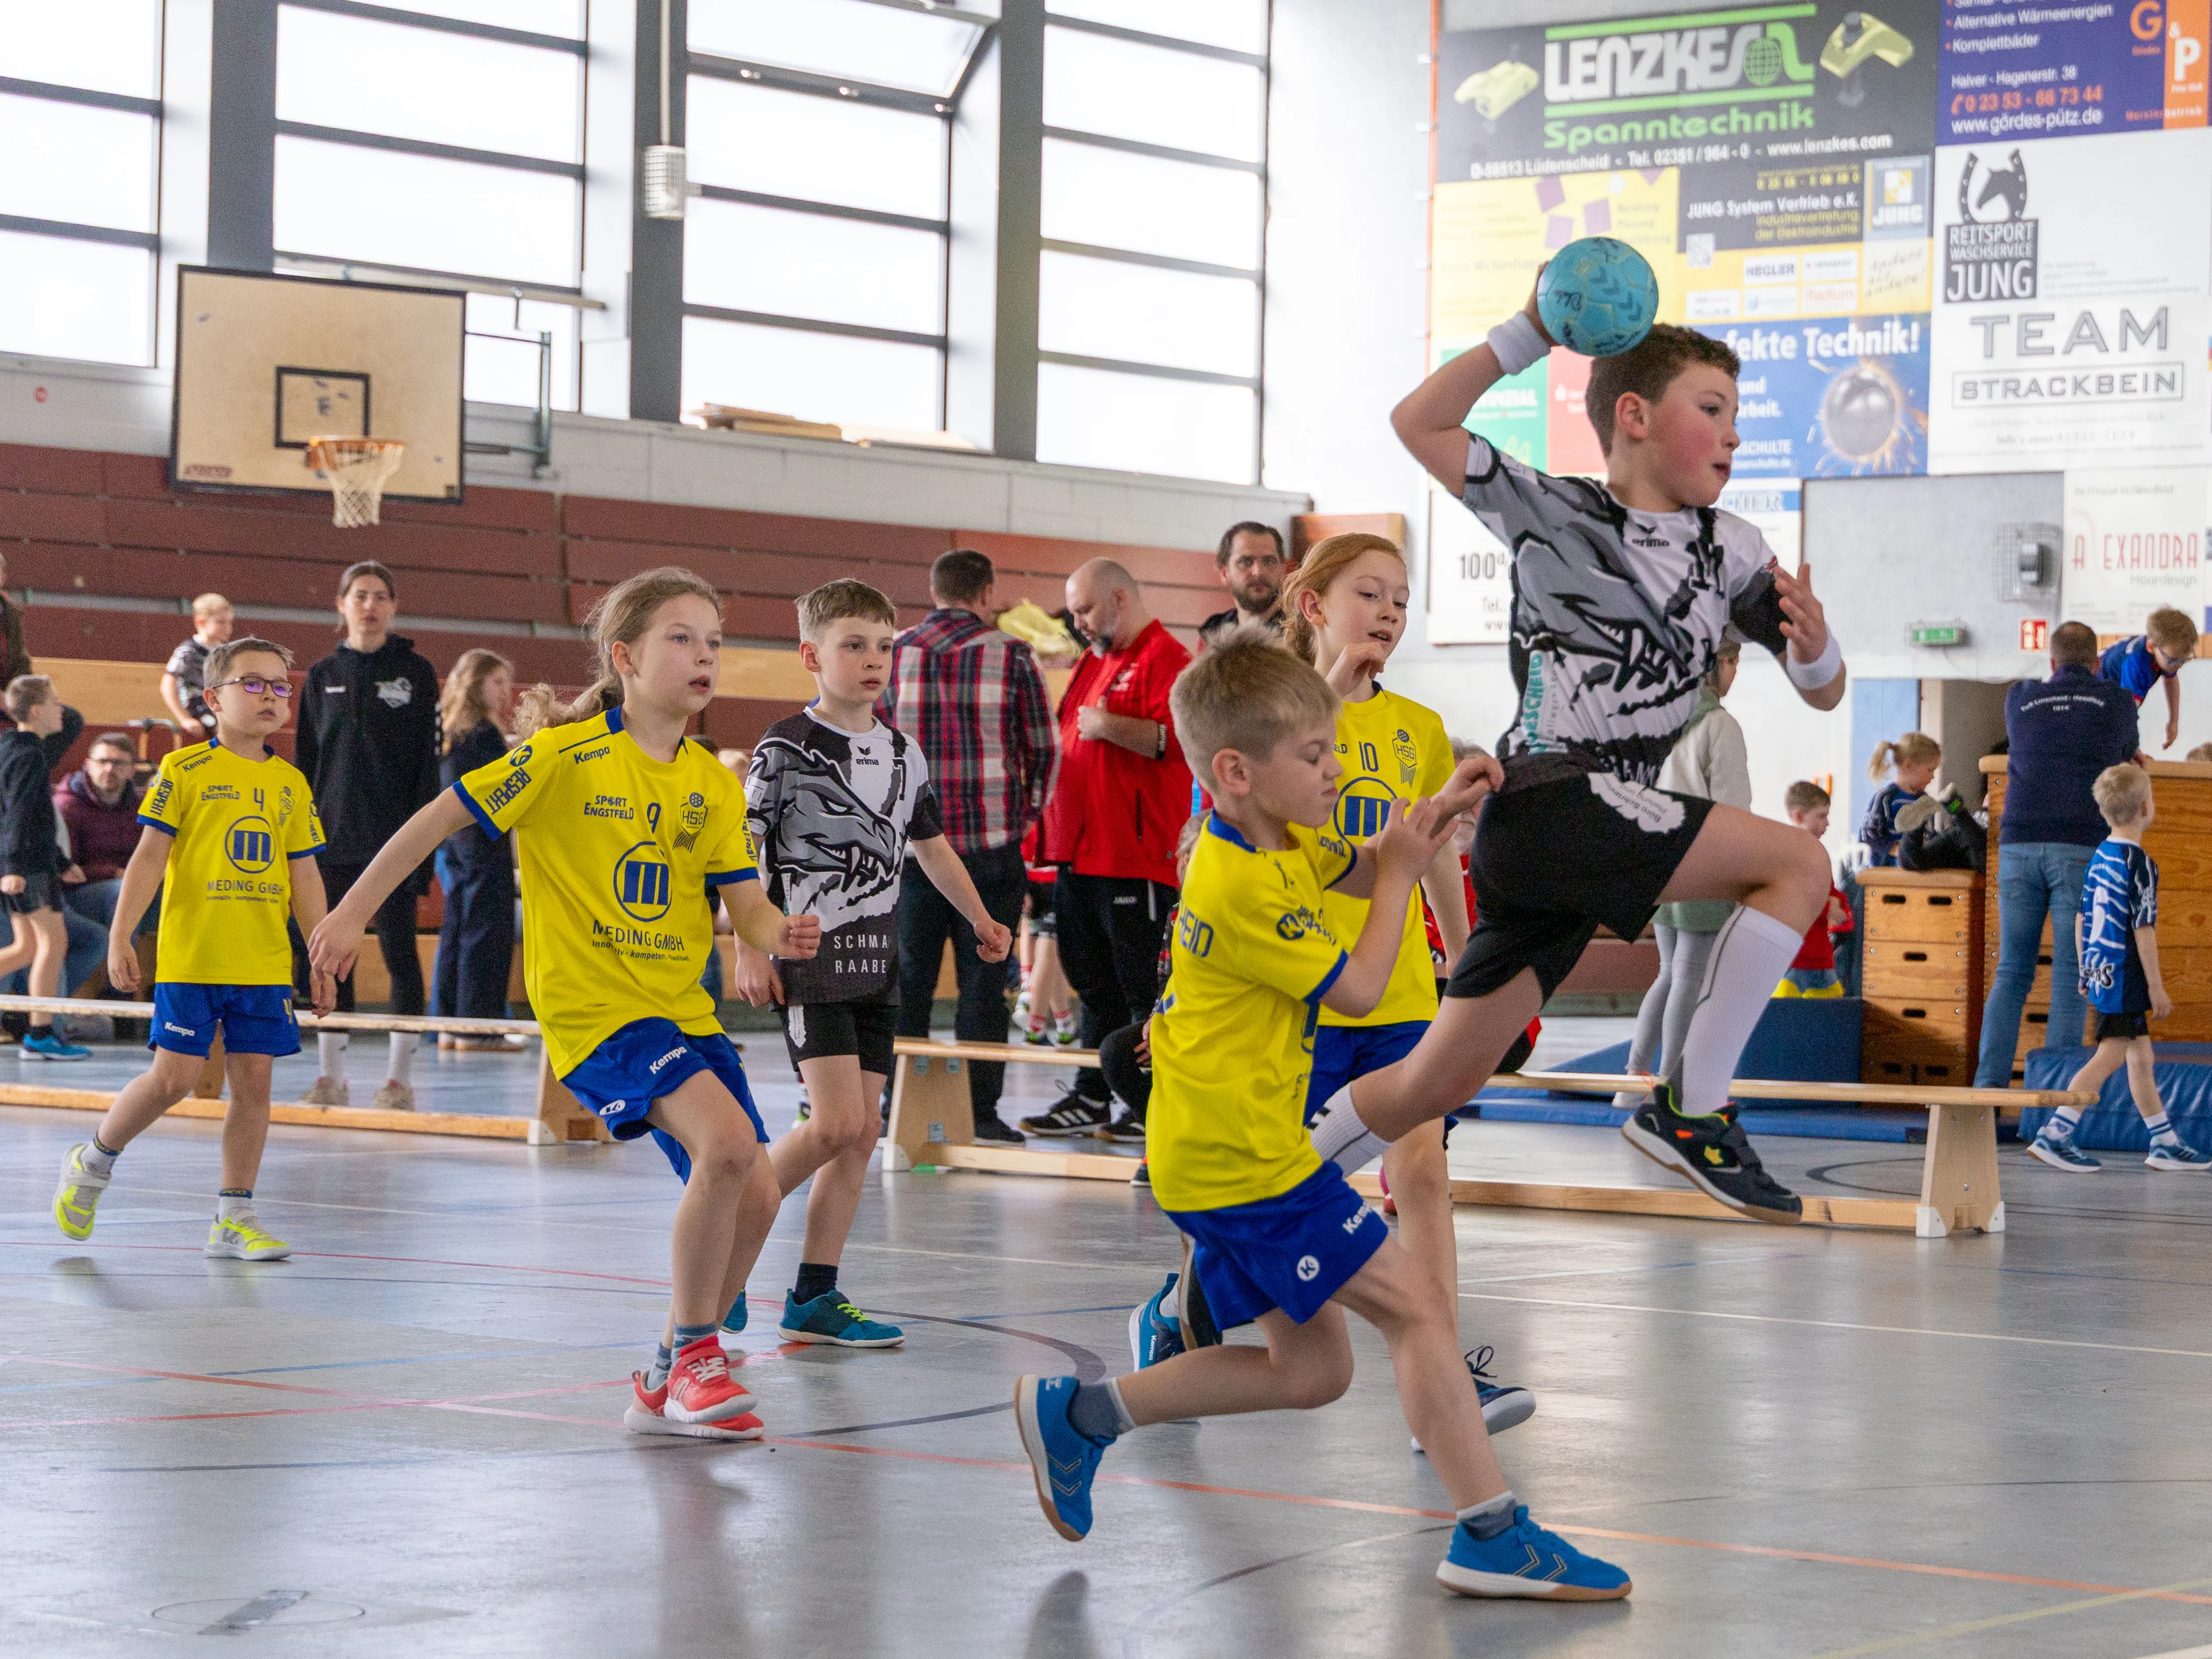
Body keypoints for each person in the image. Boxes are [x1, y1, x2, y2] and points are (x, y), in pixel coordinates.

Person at [1011, 637, 1630, 1601]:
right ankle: (1490, 1532)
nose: (1335, 770)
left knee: (1311, 1372)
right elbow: (1360, 984)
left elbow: (1371, 855)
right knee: (1416, 1304)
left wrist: (1438, 813)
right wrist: (1397, 881)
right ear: (1235, 771)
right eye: (1313, 755)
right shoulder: (1239, 882)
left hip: (1223, 1153)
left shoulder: (1277, 838)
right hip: (1242, 1164)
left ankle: (1082, 1414)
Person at [1299, 292, 1845, 1227]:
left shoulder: (1731, 548)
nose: (1732, 435)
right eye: (1709, 409)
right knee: (1799, 862)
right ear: (1631, 416)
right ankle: (1691, 1107)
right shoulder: (1545, 508)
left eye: (1736, 417)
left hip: (1560, 830)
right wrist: (1529, 333)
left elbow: (1821, 689)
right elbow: (1416, 421)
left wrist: (1815, 643)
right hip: (1552, 797)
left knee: (1429, 1080)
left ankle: (1252, 1207)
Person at [309, 566, 820, 1438]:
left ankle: (663, 1371)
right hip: (593, 1011)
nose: (703, 654)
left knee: (761, 1193)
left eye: (714, 640)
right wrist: (348, 912)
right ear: (623, 656)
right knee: (729, 1142)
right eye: (681, 637)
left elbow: (746, 907)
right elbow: (437, 821)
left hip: (681, 1011)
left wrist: (781, 933)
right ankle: (700, 1351)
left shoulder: (712, 782)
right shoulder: (560, 757)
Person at [1129, 547, 1537, 1441]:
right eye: (1369, 593)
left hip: (1391, 996)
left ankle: (1444, 1367)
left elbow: (1425, 855)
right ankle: (1181, 1303)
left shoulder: (1418, 728)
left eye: (1401, 597)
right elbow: (1209, 858)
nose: (1389, 610)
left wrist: (1470, 971)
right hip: (1298, 1001)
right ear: (1311, 604)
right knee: (1277, 1176)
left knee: (1421, 1169)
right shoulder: (1268, 723)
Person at [739, 580, 1013, 1343]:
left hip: (874, 968)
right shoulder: (784, 748)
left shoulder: (901, 752)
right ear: (810, 655)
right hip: (809, 963)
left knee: (861, 1135)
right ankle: (722, 1245)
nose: (872, 661)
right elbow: (741, 856)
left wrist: (981, 918)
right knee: (831, 1125)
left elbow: (929, 848)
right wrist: (748, 943)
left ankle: (814, 1296)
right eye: (852, 645)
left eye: (883, 646)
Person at [52, 638, 336, 1257]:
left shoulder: (290, 783)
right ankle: (94, 1160)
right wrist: (123, 934)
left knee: (254, 1085)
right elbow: (149, 857)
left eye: (279, 685)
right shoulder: (185, 771)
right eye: (252, 684)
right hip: (193, 957)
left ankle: (233, 1217)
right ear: (212, 698)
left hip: (261, 964)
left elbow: (305, 875)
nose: (269, 695)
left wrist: (320, 954)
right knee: (173, 1079)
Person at [878, 550, 1056, 1144]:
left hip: (911, 854)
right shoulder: (1011, 654)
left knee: (908, 984)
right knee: (985, 988)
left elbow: (873, 742)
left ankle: (891, 1108)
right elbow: (1043, 748)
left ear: (934, 591)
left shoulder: (894, 651)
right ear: (985, 592)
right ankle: (979, 1115)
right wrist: (1022, 817)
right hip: (989, 849)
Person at [1022, 559, 1193, 1136]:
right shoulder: (1093, 660)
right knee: (1092, 983)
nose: (1075, 621)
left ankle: (1154, 1107)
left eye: (1084, 609)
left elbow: (1181, 743)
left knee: (1141, 989)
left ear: (1120, 597)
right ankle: (1094, 1094)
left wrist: (1110, 725)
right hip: (1081, 852)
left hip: (1136, 858)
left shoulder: (1166, 658)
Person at [292, 561, 441, 1110]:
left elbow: (428, 766)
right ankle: (332, 1075)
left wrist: (423, 848)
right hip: (330, 843)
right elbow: (306, 763)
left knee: (401, 953)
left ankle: (398, 1081)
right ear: (341, 604)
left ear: (394, 606)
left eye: (380, 595)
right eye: (360, 595)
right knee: (330, 957)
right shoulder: (320, 674)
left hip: (394, 842)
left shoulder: (417, 674)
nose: (370, 604)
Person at [1975, 624, 2144, 1085]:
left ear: (2050, 663)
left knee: (2012, 971)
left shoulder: (2019, 698)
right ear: (2096, 663)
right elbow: (2127, 752)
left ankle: (1985, 1092)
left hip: (2018, 843)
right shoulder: (2114, 700)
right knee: (2072, 973)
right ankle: (2052, 1102)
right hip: (2079, 843)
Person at [2034, 764, 2211, 1171]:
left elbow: (2081, 919)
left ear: (2103, 811)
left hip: (2101, 969)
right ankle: (2055, 1133)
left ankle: (2164, 1141)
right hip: (2125, 974)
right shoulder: (2139, 863)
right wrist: (2156, 986)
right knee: (2110, 1055)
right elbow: (2143, 927)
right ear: (2148, 807)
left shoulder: (2100, 856)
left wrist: (2084, 970)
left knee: (2140, 1057)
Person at [1613, 641, 1749, 1105]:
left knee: (1669, 973)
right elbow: (1734, 809)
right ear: (1719, 665)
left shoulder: (1655, 721)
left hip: (1658, 861)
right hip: (1703, 859)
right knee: (1688, 975)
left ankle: (1633, 1082)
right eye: (1735, 664)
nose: (1736, 674)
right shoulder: (1719, 725)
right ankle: (1670, 1089)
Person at [430, 648, 518, 1049]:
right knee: (486, 936)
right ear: (475, 683)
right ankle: (478, 1029)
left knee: (457, 932)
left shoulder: (451, 733)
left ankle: (449, 1025)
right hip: (484, 841)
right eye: (497, 681)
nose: (506, 691)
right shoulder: (483, 734)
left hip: (457, 844)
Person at [0, 676, 90, 1058]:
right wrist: (15, 866)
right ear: (36, 712)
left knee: (27, 947)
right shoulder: (29, 756)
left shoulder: (12, 747)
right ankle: (40, 1035)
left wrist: (62, 860)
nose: (62, 708)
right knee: (53, 944)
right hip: (28, 867)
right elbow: (19, 816)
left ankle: (39, 1034)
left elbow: (35, 819)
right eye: (55, 701)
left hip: (33, 861)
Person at [0, 550, 85, 763]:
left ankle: (33, 770)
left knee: (68, 719)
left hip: (8, 697)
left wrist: (22, 696)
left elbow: (20, 662)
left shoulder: (7, 612)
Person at [1774, 781, 1852, 998]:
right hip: (1794, 955)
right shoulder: (1788, 853)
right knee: (1787, 1013)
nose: (1827, 823)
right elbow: (1796, 897)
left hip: (1820, 955)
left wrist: (1837, 904)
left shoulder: (1818, 852)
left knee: (1829, 1010)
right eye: (1821, 816)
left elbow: (1830, 889)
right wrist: (1829, 907)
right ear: (1799, 816)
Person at [2098, 605, 2197, 752]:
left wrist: (2173, 721)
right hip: (2096, 699)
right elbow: (2128, 713)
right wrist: (2133, 750)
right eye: (2174, 661)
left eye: (2185, 660)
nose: (2180, 665)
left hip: (2114, 701)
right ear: (2151, 647)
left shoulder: (2163, 655)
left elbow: (2171, 680)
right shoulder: (2137, 664)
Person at [1197, 521, 1288, 645]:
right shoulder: (1213, 632)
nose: (1258, 572)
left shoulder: (1301, 632)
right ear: (1224, 573)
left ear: (1282, 570)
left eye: (1269, 561)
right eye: (1246, 562)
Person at [1860, 733, 1940, 868]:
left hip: (1918, 871)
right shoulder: (1886, 798)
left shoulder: (1925, 801)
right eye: (1930, 770)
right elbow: (1867, 835)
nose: (1933, 777)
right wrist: (1897, 850)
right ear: (1908, 765)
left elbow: (1930, 835)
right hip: (1889, 874)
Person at [160, 593, 234, 738]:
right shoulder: (188, 651)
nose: (228, 628)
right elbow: (168, 685)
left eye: (230, 623)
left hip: (217, 707)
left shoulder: (225, 653)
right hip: (198, 708)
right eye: (221, 622)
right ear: (201, 622)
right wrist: (185, 718)